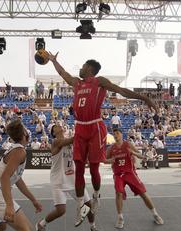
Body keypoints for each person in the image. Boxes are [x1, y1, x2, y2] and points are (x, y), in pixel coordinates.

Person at [47, 52, 158, 221]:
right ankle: (81, 207)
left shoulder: (100, 82)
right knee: (78, 171)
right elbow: (63, 74)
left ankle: (97, 195)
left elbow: (122, 91)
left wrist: (144, 98)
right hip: (80, 127)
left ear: (90, 69)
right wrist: (54, 61)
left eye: (83, 66)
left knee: (93, 168)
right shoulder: (77, 83)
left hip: (95, 127)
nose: (81, 68)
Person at [35, 124, 101, 231]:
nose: (59, 126)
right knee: (61, 210)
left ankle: (93, 226)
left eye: (60, 125)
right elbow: (74, 139)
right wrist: (85, 127)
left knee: (88, 205)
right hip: (59, 181)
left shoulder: (70, 141)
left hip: (73, 180)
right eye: (55, 127)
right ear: (54, 133)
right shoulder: (55, 142)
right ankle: (41, 224)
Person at [106, 128, 164, 229]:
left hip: (130, 173)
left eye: (117, 133)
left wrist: (134, 153)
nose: (115, 135)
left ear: (121, 134)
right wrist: (110, 160)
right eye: (114, 134)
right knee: (118, 193)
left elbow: (141, 156)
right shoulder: (111, 148)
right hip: (118, 174)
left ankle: (155, 213)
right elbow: (105, 160)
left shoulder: (128, 144)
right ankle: (120, 217)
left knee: (143, 193)